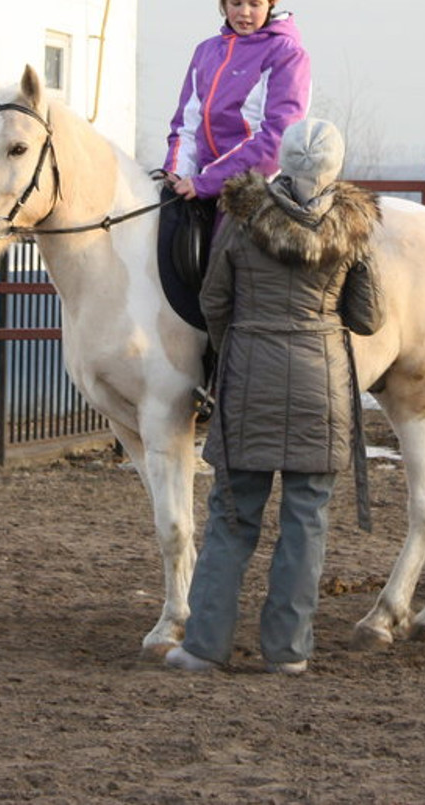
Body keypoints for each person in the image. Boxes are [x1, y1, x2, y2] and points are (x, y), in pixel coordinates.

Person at [164, 117, 383, 676]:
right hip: (322, 390)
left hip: (249, 381)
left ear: (283, 160)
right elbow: (367, 316)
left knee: (232, 516)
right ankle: (288, 652)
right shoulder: (352, 229)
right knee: (306, 521)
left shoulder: (242, 220)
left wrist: (238, 344)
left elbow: (214, 300)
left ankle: (203, 647)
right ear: (333, 168)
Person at [161, 0, 311, 203]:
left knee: (234, 244)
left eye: (254, 4)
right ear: (223, 0)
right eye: (236, 2)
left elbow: (278, 137)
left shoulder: (286, 54)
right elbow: (186, 125)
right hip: (199, 182)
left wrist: (209, 181)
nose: (244, 13)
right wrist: (177, 173)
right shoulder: (205, 52)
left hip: (256, 186)